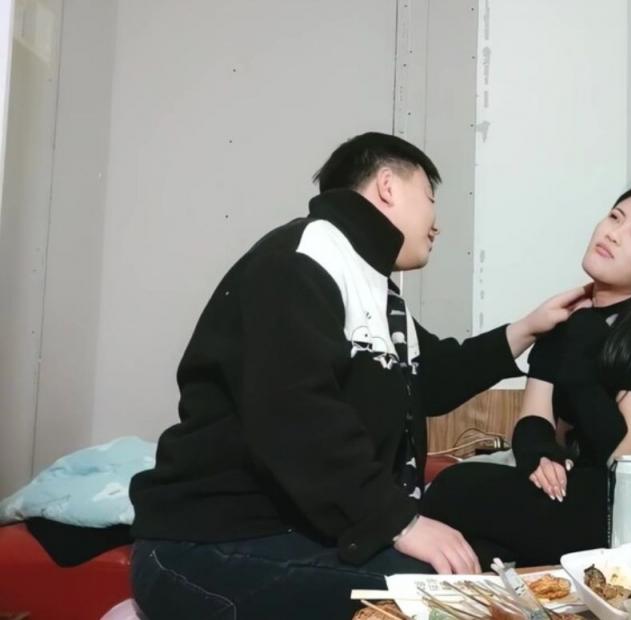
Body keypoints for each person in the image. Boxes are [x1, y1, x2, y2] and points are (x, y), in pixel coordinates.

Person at [127, 132, 590, 619]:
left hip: (292, 534)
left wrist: (526, 329)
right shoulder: (300, 260)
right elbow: (296, 416)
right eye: (430, 198)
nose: (437, 223)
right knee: (448, 599)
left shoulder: (375, 288)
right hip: (210, 543)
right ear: (388, 186)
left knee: (479, 570)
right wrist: (400, 523)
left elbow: (429, 377)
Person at [419, 184, 631, 566]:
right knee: (461, 512)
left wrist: (582, 345)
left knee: (453, 490)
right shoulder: (564, 322)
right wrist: (539, 456)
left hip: (624, 504)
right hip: (572, 487)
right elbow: (533, 417)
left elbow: (622, 462)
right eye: (615, 217)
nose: (614, 233)